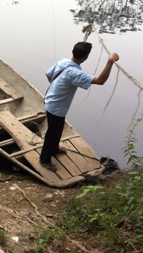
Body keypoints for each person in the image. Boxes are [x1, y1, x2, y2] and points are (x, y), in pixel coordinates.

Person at [39, 41, 119, 172]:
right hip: (56, 107)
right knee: (52, 133)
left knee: (57, 129)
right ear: (86, 57)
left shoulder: (63, 62)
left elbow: (49, 74)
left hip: (51, 100)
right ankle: (45, 159)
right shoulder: (75, 73)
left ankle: (54, 149)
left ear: (73, 52)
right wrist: (110, 62)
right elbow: (100, 81)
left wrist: (58, 90)